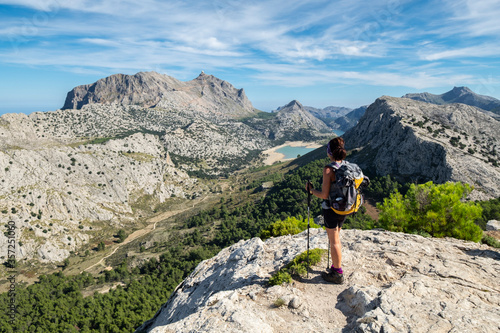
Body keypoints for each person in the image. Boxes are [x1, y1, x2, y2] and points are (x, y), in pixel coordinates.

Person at [305, 137, 346, 284]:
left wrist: (311, 190)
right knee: (336, 238)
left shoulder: (329, 169)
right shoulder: (347, 166)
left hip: (331, 209)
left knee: (334, 241)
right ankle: (336, 266)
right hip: (345, 208)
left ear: (330, 152)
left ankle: (337, 273)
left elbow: (324, 194)